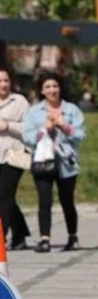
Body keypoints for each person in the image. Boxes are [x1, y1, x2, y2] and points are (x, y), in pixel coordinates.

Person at [22, 71, 86, 253]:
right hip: (43, 161)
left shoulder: (72, 110)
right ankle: (44, 239)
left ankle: (72, 236)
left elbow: (81, 134)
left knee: (67, 200)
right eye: (48, 87)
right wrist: (43, 130)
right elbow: (27, 136)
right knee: (44, 200)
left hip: (67, 162)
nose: (52, 90)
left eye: (55, 86)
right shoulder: (34, 112)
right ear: (42, 91)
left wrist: (64, 126)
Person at [0, 66, 32, 251]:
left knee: (4, 196)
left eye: (6, 81)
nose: (3, 84)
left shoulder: (19, 101)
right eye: (0, 81)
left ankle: (1, 237)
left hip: (14, 155)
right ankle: (20, 234)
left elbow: (29, 128)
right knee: (7, 197)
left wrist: (7, 126)